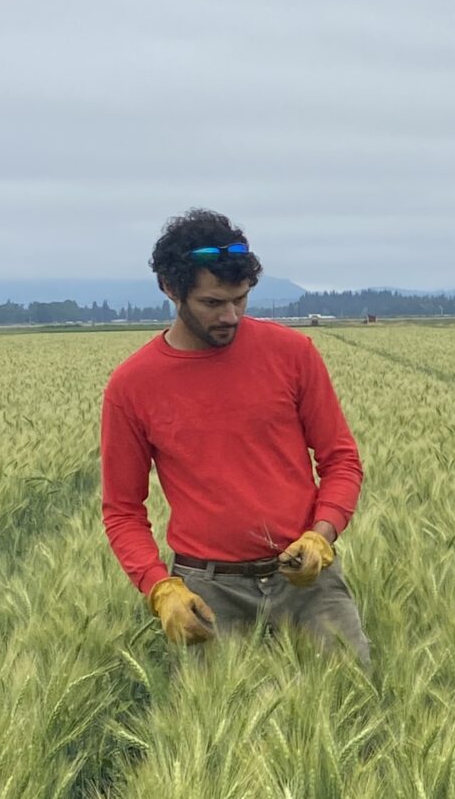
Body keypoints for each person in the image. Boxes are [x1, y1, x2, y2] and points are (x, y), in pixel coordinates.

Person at [100, 209, 371, 666]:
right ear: (170, 288)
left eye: (240, 300)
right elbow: (123, 511)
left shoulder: (292, 353)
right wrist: (159, 588)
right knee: (212, 735)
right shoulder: (132, 386)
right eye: (212, 303)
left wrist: (321, 537)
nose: (230, 316)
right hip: (208, 593)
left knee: (356, 702)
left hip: (307, 582)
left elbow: (341, 460)